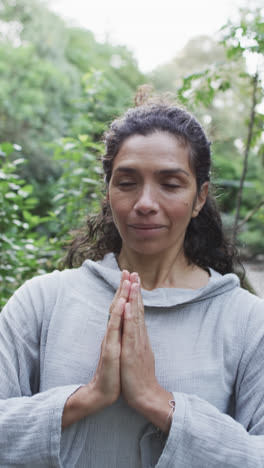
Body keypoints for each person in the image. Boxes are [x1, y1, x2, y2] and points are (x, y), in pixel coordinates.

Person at [0, 90, 264, 468]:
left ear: (200, 197)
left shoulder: (248, 322)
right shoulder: (42, 302)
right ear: (108, 193)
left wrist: (159, 401)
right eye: (126, 182)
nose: (144, 202)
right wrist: (86, 398)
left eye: (170, 184)